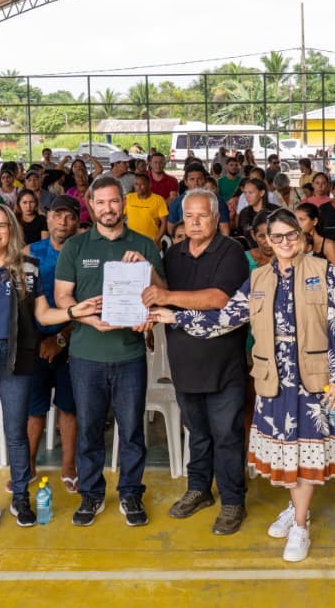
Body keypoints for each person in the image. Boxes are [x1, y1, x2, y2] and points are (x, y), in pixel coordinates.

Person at [149, 208, 335, 562]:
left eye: (291, 235)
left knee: (304, 456)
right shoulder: (258, 278)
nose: (285, 242)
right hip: (273, 380)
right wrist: (176, 316)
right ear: (267, 240)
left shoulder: (323, 273)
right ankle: (295, 508)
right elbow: (226, 318)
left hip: (313, 382)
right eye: (276, 237)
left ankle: (301, 525)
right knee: (286, 453)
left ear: (303, 236)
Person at [0, 203, 99, 532]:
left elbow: (43, 314)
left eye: (1, 226)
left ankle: (20, 500)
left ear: (11, 230)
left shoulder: (28, 268)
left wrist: (75, 313)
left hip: (16, 358)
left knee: (16, 434)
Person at [55, 177, 166, 528]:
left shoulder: (145, 245)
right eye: (100, 202)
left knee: (132, 429)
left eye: (114, 201)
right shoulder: (76, 246)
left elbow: (162, 294)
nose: (108, 208)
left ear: (124, 203)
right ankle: (92, 494)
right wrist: (86, 316)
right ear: (91, 205)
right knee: (89, 429)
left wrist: (146, 270)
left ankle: (131, 492)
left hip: (129, 353)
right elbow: (62, 298)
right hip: (86, 353)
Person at [140, 189, 251, 535]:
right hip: (184, 362)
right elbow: (161, 295)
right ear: (182, 220)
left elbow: (218, 299)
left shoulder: (231, 251)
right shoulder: (174, 256)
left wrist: (167, 296)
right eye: (190, 216)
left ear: (217, 219)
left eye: (203, 215)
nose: (196, 222)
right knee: (197, 433)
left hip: (224, 364)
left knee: (227, 434)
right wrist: (143, 276)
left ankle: (233, 500)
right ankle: (199, 489)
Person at [26, 197, 82, 492]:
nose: (63, 221)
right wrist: (39, 341)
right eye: (58, 215)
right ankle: (29, 467)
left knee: (68, 408)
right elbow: (21, 303)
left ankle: (69, 467)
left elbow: (88, 304)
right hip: (36, 344)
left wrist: (60, 339)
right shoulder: (30, 253)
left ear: (77, 222)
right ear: (47, 218)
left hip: (73, 341)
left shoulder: (84, 253)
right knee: (34, 409)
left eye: (70, 216)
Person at [124, 171, 169, 245]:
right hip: (131, 242)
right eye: (136, 184)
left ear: (149, 185)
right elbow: (119, 218)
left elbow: (164, 223)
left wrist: (156, 240)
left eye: (142, 184)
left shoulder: (159, 200)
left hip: (151, 242)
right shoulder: (129, 198)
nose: (139, 187)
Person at [233, 177, 273, 251]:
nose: (247, 196)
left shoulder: (275, 211)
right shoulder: (243, 213)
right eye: (245, 193)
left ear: (262, 193)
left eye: (250, 193)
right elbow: (241, 237)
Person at [296, 202, 335, 267]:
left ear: (315, 221)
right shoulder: (294, 243)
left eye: (302, 219)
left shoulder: (328, 245)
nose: (298, 224)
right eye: (295, 220)